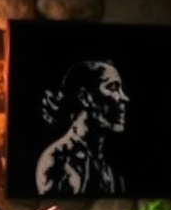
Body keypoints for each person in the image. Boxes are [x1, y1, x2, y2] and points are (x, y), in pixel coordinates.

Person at [35, 59, 129, 195]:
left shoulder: (108, 166)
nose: (124, 98)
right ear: (85, 97)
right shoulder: (59, 160)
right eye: (113, 88)